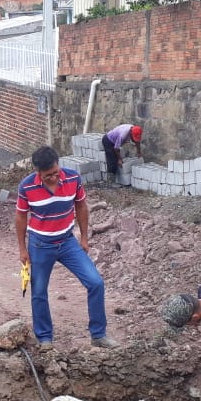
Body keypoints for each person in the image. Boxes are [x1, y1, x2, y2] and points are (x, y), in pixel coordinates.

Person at [15, 145, 119, 352]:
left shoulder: (73, 179)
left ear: (59, 165)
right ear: (38, 173)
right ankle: (45, 338)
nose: (53, 178)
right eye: (47, 176)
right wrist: (22, 249)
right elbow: (20, 216)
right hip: (40, 245)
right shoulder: (26, 186)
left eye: (55, 173)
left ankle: (98, 335)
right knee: (39, 292)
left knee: (95, 282)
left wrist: (84, 238)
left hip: (67, 242)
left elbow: (81, 206)